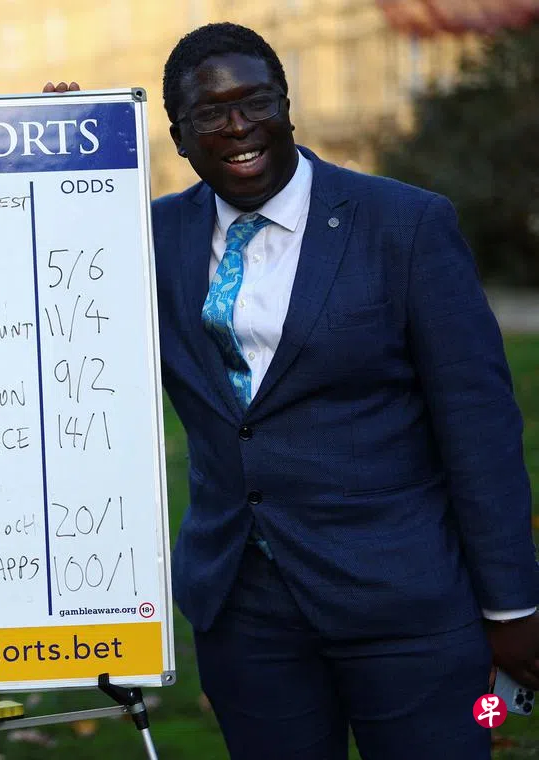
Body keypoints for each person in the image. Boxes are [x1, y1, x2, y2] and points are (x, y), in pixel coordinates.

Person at [50, 21, 539, 759]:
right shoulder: (147, 238)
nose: (238, 126)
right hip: (244, 609)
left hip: (402, 601)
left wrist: (512, 603)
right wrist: (54, 155)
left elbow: (480, 427)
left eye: (256, 101)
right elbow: (46, 298)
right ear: (178, 138)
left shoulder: (404, 225)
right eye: (210, 114)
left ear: (285, 103)